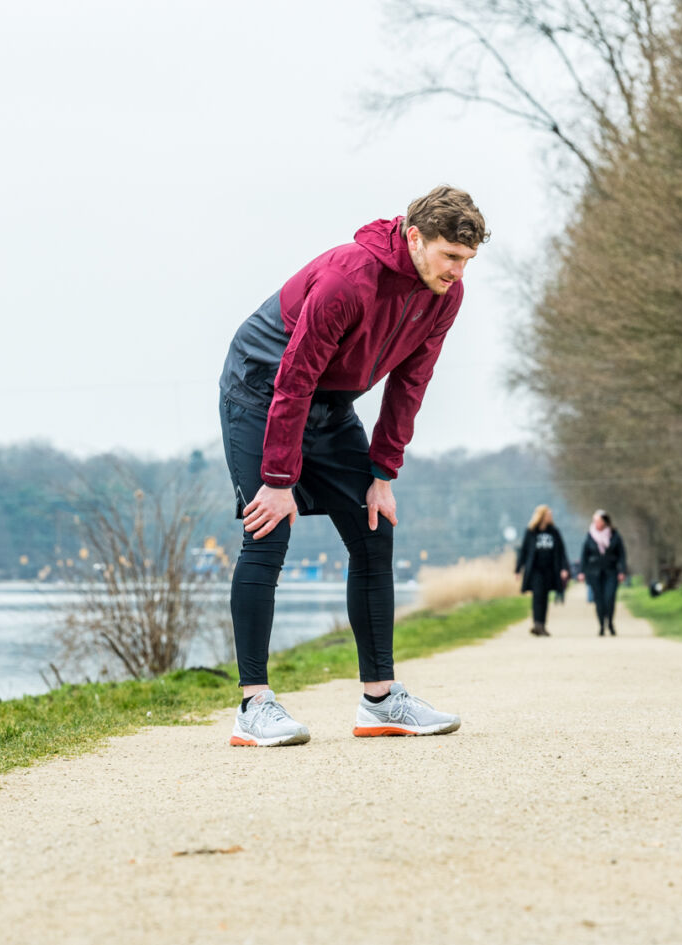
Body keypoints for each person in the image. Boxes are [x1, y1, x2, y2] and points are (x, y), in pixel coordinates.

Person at [218, 185, 488, 746]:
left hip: (330, 403)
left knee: (373, 532)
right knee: (267, 531)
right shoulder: (348, 279)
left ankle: (382, 701)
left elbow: (411, 381)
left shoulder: (444, 295)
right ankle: (254, 706)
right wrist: (277, 481)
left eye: (468, 261)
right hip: (262, 390)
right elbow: (293, 378)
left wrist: (383, 475)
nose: (458, 272)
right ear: (415, 237)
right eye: (450, 257)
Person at [514, 504, 569, 636]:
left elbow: (561, 551)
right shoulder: (531, 532)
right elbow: (524, 551)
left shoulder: (554, 532)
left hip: (550, 570)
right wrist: (518, 569)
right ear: (542, 516)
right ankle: (537, 623)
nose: (550, 517)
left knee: (544, 597)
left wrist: (564, 568)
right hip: (535, 570)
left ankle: (542, 625)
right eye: (548, 514)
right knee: (537, 595)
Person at [579, 509, 628, 635]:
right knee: (599, 600)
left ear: (605, 522)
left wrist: (622, 570)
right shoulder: (590, 535)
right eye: (595, 521)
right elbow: (584, 555)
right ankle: (601, 625)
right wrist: (582, 571)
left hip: (611, 571)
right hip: (595, 572)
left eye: (599, 521)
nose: (597, 524)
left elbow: (621, 554)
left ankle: (610, 623)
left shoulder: (614, 535)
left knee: (610, 598)